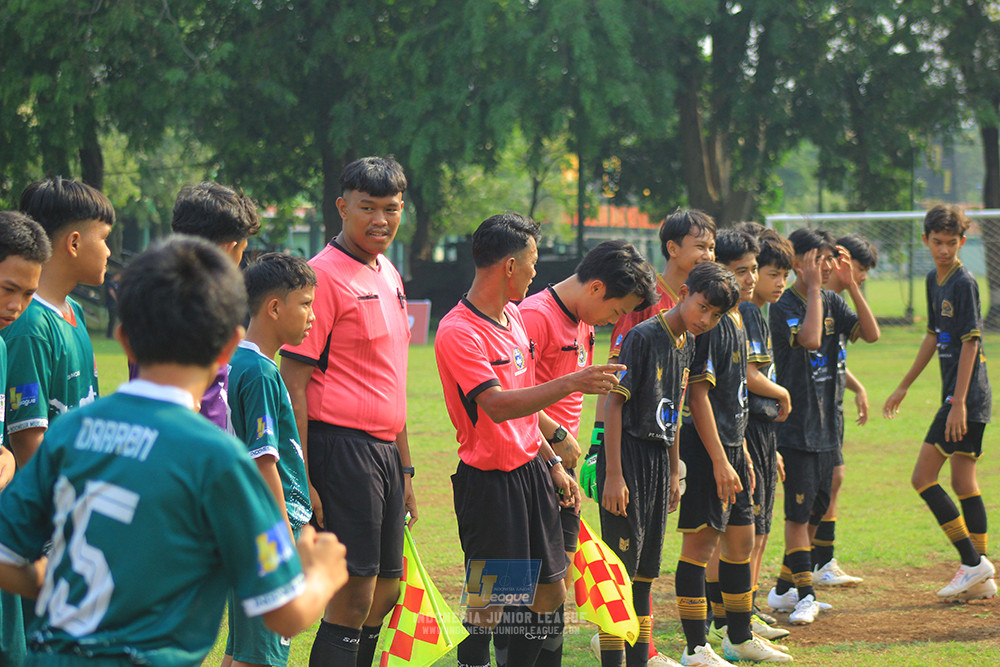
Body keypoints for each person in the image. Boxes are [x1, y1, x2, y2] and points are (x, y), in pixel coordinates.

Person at [0, 236, 349, 665]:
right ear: (227, 348)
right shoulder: (218, 460)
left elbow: (6, 555)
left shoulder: (71, 429)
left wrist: (52, 580)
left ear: (125, 340)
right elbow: (284, 612)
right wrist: (321, 573)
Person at [435, 212, 623, 667]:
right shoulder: (458, 330)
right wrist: (572, 383)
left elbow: (523, 410)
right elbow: (498, 406)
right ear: (509, 267)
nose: (537, 273)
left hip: (532, 474)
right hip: (489, 484)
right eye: (532, 262)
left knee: (550, 590)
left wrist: (553, 462)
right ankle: (471, 659)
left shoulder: (514, 317)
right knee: (492, 603)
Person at [279, 156, 416, 667]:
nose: (381, 220)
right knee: (351, 596)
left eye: (392, 208)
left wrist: (404, 470)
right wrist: (304, 475)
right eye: (368, 208)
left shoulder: (389, 271)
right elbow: (293, 382)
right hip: (340, 449)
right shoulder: (321, 275)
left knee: (385, 592)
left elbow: (395, 378)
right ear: (342, 207)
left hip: (383, 452)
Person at [582, 209, 716, 666]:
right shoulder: (642, 309)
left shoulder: (694, 324)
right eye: (700, 245)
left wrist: (676, 464)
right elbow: (613, 390)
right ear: (673, 248)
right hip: (627, 452)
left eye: (712, 246)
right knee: (621, 565)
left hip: (660, 453)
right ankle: (628, 646)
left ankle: (642, 649)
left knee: (644, 566)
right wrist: (602, 454)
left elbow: (679, 399)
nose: (707, 253)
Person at [518, 240, 656, 667]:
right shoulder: (534, 317)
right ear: (596, 288)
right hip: (522, 465)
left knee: (554, 582)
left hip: (561, 468)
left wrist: (577, 453)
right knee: (504, 582)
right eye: (616, 312)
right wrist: (554, 434)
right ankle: (477, 658)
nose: (614, 321)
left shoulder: (582, 321)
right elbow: (506, 393)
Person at [597, 261, 736, 667]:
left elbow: (673, 414)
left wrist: (676, 470)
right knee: (619, 575)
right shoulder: (643, 336)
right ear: (684, 292)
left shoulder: (687, 344)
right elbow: (614, 403)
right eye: (702, 306)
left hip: (660, 463)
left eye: (716, 315)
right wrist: (614, 474)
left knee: (644, 575)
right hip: (629, 460)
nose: (706, 319)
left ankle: (638, 659)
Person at [674, 229, 791, 666]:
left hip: (731, 449)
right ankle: (695, 647)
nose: (749, 278)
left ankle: (738, 637)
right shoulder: (711, 325)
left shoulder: (741, 319)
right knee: (700, 549)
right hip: (706, 454)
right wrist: (722, 460)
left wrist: (740, 450)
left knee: (740, 541)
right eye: (740, 270)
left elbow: (733, 398)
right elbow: (699, 396)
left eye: (753, 270)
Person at [766, 228, 879, 625]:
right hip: (795, 427)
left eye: (831, 260)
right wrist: (815, 289)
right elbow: (811, 340)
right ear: (798, 263)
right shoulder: (784, 306)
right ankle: (804, 595)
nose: (828, 267)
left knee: (816, 511)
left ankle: (782, 588)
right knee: (797, 517)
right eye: (820, 260)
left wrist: (851, 287)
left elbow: (871, 333)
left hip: (827, 424)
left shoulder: (832, 298)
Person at [883, 204, 995, 601]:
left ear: (963, 242)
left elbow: (971, 341)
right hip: (963, 397)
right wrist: (904, 385)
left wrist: (959, 402)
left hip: (966, 397)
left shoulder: (964, 283)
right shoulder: (934, 279)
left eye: (951, 243)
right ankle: (981, 577)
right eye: (937, 242)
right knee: (964, 481)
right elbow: (933, 336)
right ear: (926, 239)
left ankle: (973, 563)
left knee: (922, 478)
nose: (944, 249)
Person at [223, 253, 317, 667]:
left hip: (242, 524)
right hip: (266, 529)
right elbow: (264, 463)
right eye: (306, 304)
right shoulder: (260, 372)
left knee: (244, 649)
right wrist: (283, 541)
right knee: (261, 654)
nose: (313, 317)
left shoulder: (234, 362)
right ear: (274, 307)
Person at [128, 182, 262, 431]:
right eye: (242, 251)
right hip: (193, 447)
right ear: (228, 248)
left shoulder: (150, 293)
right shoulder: (202, 306)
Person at [5, 178, 112, 469]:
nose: (109, 251)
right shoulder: (29, 325)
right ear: (74, 243)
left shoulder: (73, 311)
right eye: (104, 238)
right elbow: (29, 446)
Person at [733, 227, 793, 641]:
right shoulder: (746, 313)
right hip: (749, 426)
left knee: (761, 524)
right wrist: (782, 393)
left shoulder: (755, 313)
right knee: (749, 525)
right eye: (764, 271)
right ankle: (741, 609)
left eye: (765, 271)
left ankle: (745, 604)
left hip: (762, 431)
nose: (769, 281)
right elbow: (751, 376)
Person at [811, 232, 879, 587]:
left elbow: (836, 357)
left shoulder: (836, 303)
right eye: (860, 267)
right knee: (824, 484)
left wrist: (858, 386)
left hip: (832, 407)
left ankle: (822, 562)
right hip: (811, 412)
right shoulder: (811, 302)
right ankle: (808, 567)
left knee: (833, 481)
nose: (863, 275)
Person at [0, 211, 50, 667]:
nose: (15, 306)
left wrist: (7, 460)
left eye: (28, 294)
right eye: (7, 289)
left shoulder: (1, 347)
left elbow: (6, 442)